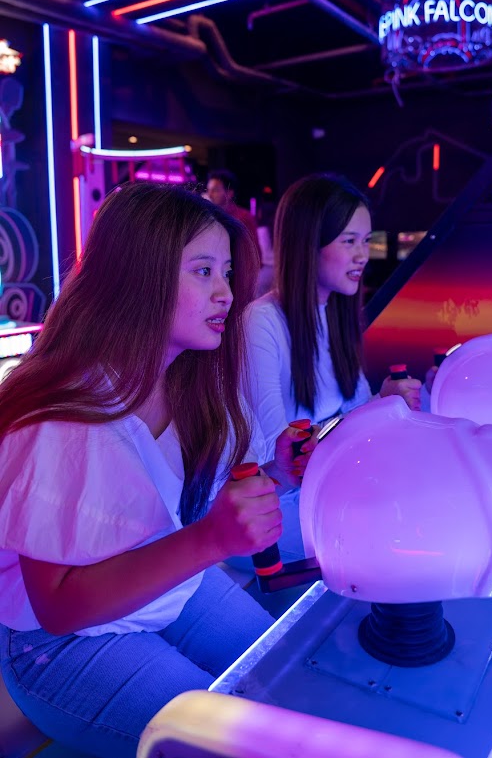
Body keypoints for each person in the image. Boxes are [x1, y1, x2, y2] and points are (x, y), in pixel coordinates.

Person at [0, 182, 314, 758]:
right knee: (246, 746)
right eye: (202, 271)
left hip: (167, 590)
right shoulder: (62, 417)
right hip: (57, 641)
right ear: (137, 275)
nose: (226, 293)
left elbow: (190, 504)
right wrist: (210, 540)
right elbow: (60, 607)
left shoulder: (187, 382)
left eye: (225, 273)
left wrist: (281, 475)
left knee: (295, 684)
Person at [243, 173, 421, 557]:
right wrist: (373, 410)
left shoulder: (335, 313)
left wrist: (384, 399)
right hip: (282, 507)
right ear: (309, 246)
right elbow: (280, 455)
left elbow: (353, 415)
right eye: (349, 241)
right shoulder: (262, 323)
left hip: (331, 488)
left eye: (365, 241)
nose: (363, 255)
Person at [204, 168, 260, 261]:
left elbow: (255, 255)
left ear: (229, 193)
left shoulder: (243, 217)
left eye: (215, 190)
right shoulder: (207, 217)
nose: (209, 195)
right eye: (208, 190)